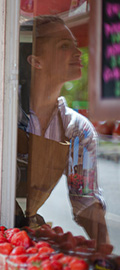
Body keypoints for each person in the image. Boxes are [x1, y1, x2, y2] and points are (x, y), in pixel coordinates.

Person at [17, 15, 109, 246]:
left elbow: (85, 198)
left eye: (76, 46)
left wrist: (105, 252)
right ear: (36, 61)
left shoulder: (77, 130)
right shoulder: (0, 112)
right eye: (65, 46)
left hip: (20, 242)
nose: (79, 53)